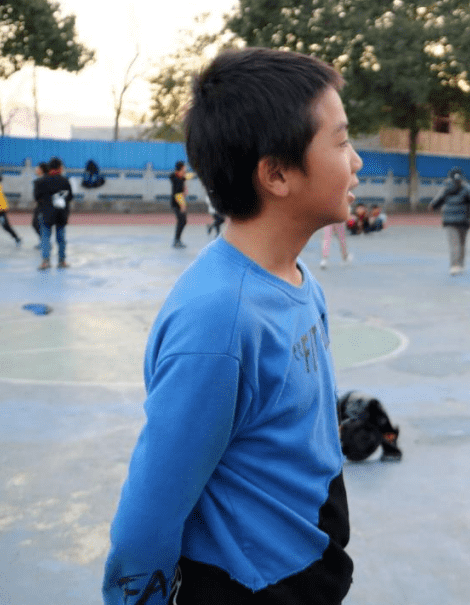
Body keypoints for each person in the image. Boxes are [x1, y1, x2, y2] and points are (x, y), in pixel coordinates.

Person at [102, 47, 361, 605]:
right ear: (276, 173)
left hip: (308, 568)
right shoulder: (217, 322)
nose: (356, 160)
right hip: (251, 587)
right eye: (340, 141)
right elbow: (146, 519)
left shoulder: (297, 280)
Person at [430, 167, 470, 275]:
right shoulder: (467, 188)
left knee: (454, 243)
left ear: (449, 178)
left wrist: (433, 206)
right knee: (462, 243)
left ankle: (454, 266)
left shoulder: (446, 188)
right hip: (464, 220)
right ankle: (461, 264)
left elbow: (438, 201)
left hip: (450, 221)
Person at [34, 157, 73, 270]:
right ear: (60, 168)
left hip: (46, 213)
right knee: (61, 238)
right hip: (60, 213)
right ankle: (62, 261)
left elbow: (36, 197)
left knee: (45, 237)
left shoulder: (41, 181)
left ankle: (45, 262)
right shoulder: (65, 181)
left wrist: (47, 201)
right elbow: (70, 197)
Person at [169, 160, 195, 248]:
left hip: (180, 202)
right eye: (183, 170)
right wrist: (182, 205)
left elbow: (188, 176)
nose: (185, 171)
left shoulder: (180, 177)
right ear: (179, 170)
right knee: (182, 221)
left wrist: (197, 172)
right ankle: (176, 240)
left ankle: (177, 240)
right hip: (176, 203)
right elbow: (177, 194)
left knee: (183, 221)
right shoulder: (176, 179)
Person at [0, 172, 23, 246]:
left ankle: (17, 238)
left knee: (6, 226)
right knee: (6, 226)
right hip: (1, 209)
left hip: (0, 211)